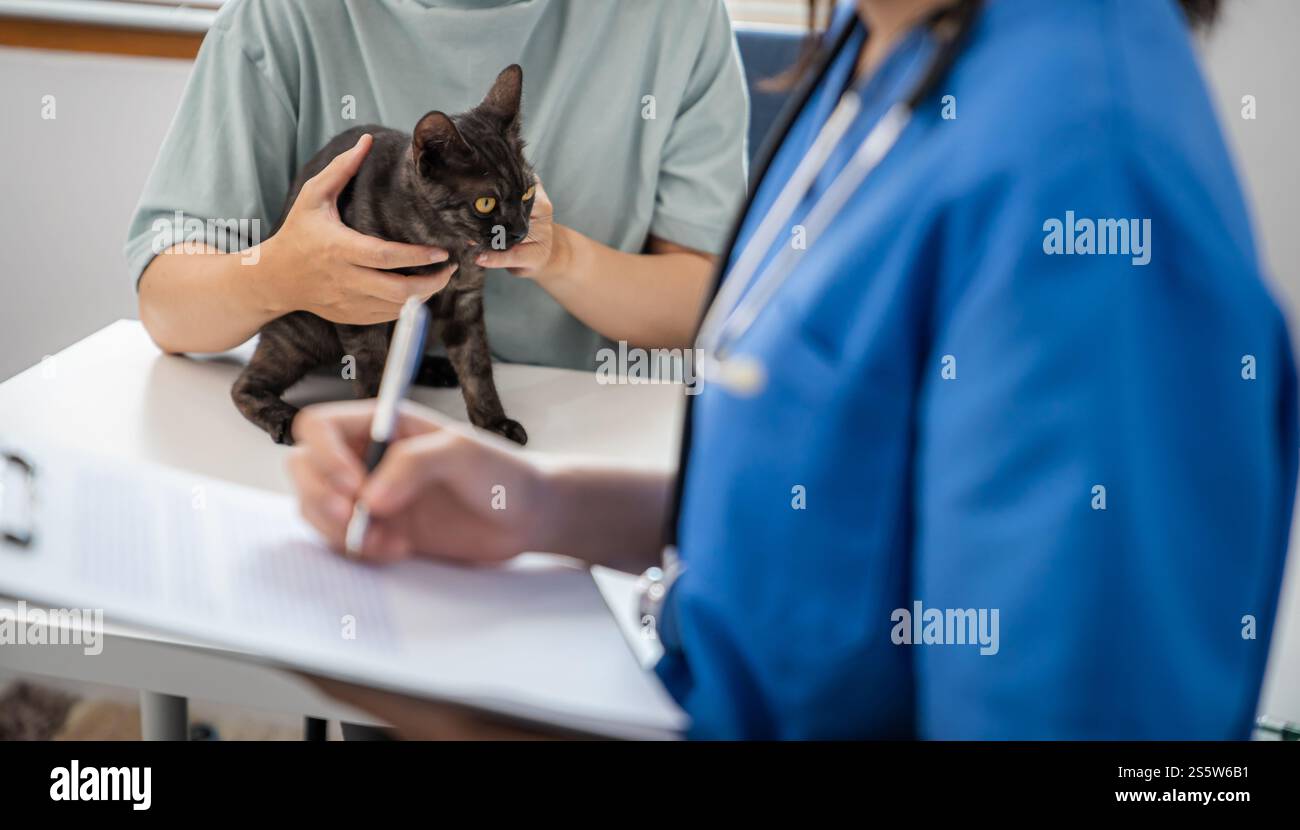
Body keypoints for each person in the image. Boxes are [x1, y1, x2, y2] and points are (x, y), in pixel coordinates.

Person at [288, 0, 1298, 739]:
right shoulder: (887, 46)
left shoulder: (1083, 168)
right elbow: (844, 498)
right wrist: (540, 505)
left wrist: (487, 727)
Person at [126, 0, 748, 367]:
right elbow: (167, 305)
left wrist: (560, 257)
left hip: (577, 444)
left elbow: (703, 307)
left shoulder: (676, 17)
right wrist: (276, 276)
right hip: (337, 430)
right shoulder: (282, 15)